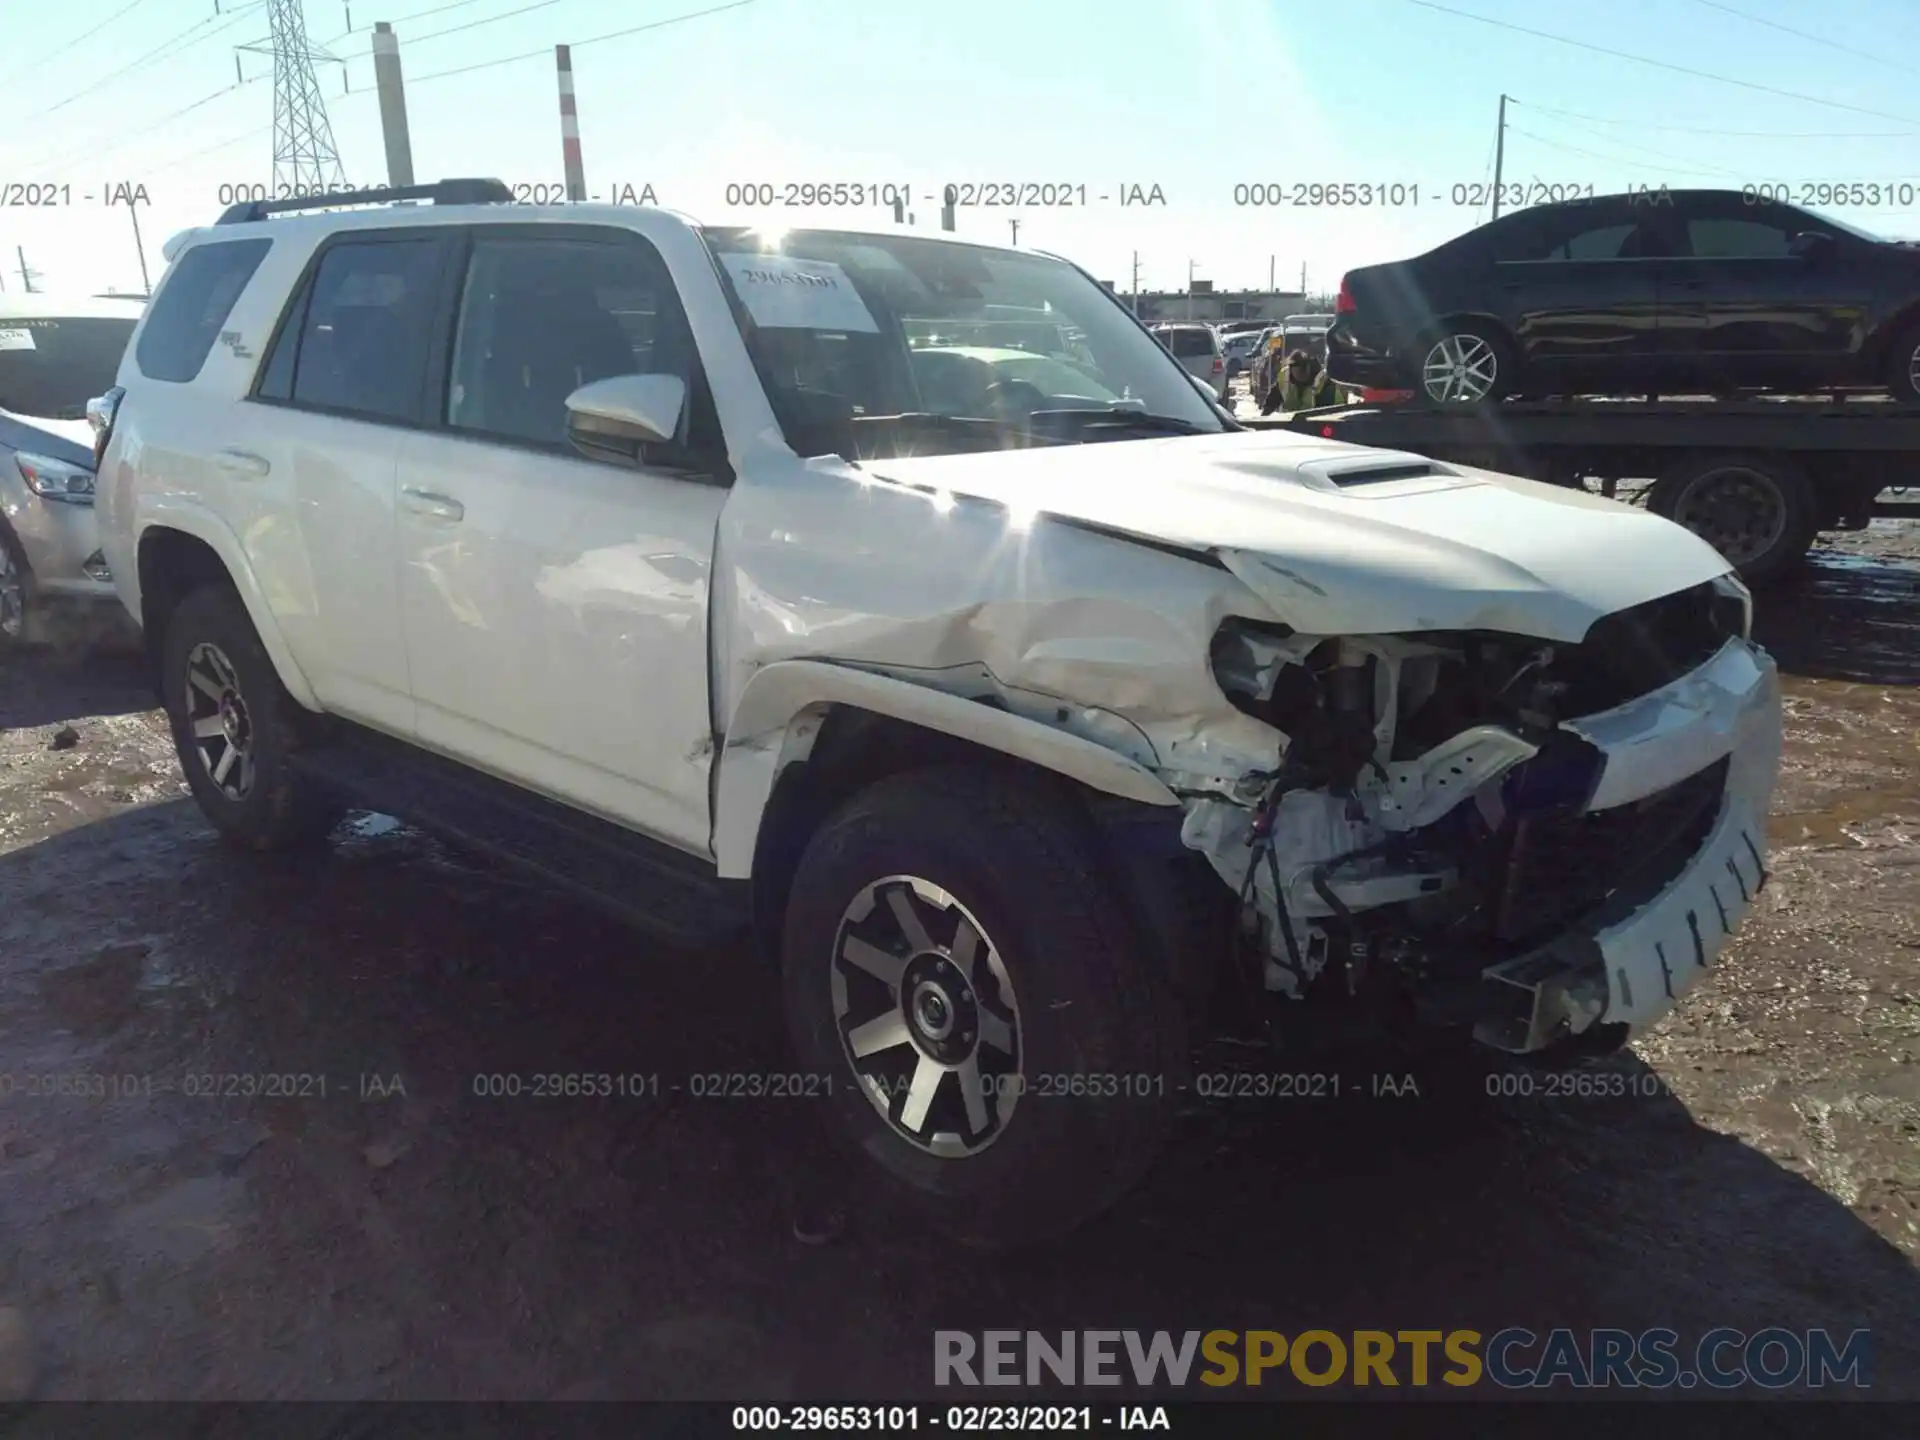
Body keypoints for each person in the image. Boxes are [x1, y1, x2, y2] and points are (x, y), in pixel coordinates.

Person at [1264, 348, 1339, 414]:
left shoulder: (1323, 380)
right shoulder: (1285, 377)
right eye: (1295, 370)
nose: (1299, 374)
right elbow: (1272, 400)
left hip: (1319, 422)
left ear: (1309, 367)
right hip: (1291, 423)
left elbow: (1327, 410)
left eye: (1302, 369)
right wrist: (1264, 417)